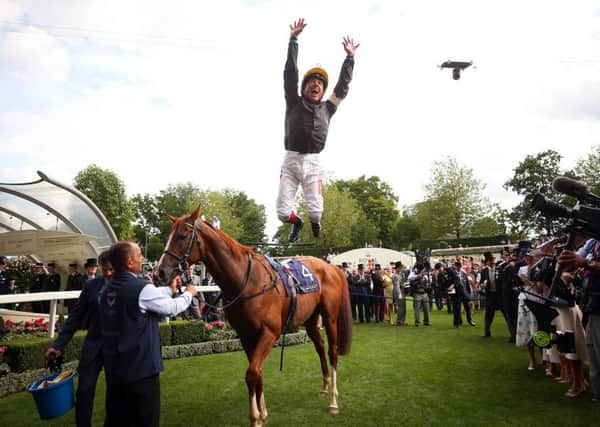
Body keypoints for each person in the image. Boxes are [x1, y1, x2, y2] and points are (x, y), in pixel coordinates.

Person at [277, 17, 359, 242]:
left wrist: (350, 58)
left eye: (319, 84)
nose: (315, 85)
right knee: (283, 213)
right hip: (291, 160)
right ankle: (297, 222)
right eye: (311, 83)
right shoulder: (293, 101)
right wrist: (293, 40)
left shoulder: (328, 107)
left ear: (322, 90)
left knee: (316, 211)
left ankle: (313, 221)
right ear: (304, 88)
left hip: (313, 163)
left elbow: (342, 87)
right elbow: (290, 74)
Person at [100, 241, 197, 427]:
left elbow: (144, 298)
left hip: (115, 373)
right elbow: (171, 308)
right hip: (142, 373)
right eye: (139, 255)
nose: (142, 258)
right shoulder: (142, 288)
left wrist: (169, 289)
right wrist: (189, 294)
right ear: (129, 262)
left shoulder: (106, 291)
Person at [44, 252, 112, 427]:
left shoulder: (128, 285)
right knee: (83, 391)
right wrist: (58, 345)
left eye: (112, 268)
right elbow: (75, 317)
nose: (109, 273)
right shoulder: (92, 286)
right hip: (93, 346)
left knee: (116, 395)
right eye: (105, 269)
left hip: (117, 350)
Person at [480, 252, 499, 337]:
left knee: (507, 315)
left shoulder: (499, 269)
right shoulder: (484, 271)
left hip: (499, 295)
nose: (491, 262)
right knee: (488, 315)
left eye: (492, 260)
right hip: (490, 295)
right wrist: (482, 285)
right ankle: (487, 332)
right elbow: (481, 282)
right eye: (489, 261)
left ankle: (513, 335)